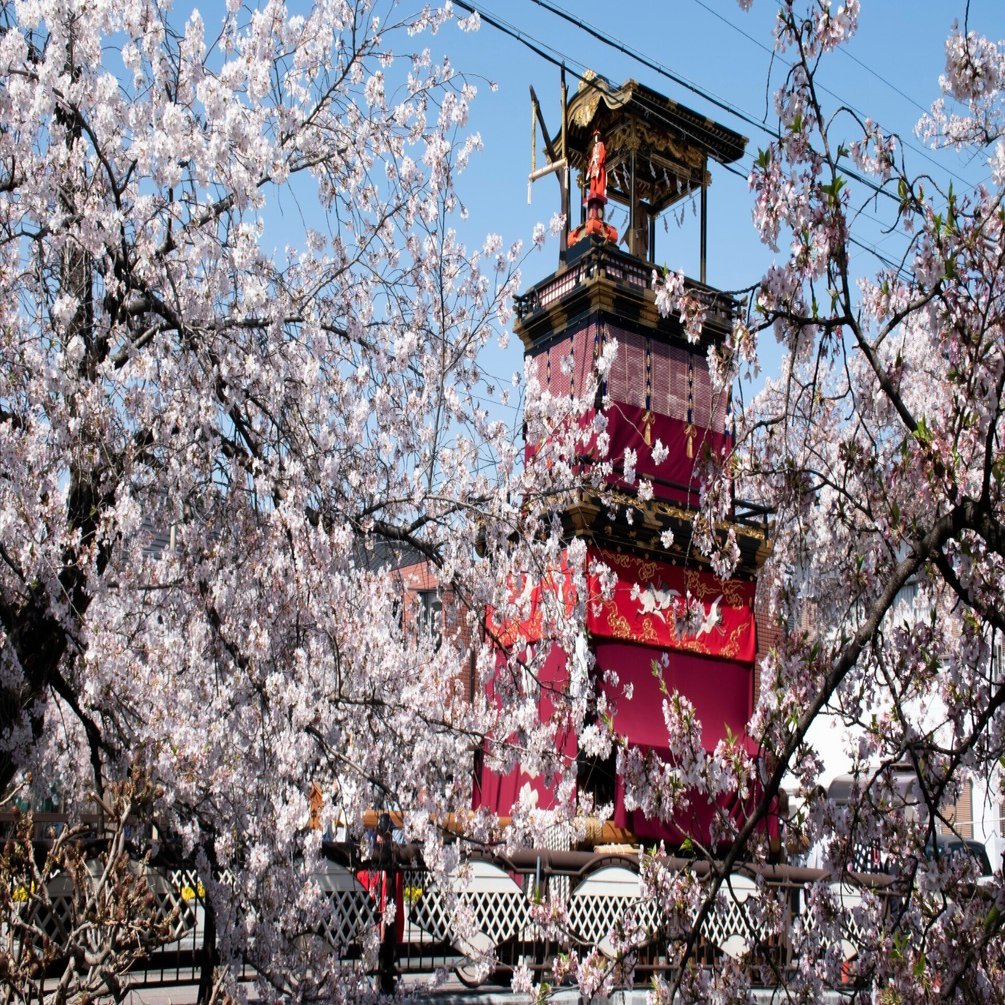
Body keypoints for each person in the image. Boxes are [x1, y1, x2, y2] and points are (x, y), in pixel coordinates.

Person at [587, 129, 607, 203]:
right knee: (593, 181)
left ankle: (599, 194)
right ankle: (592, 193)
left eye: (596, 136)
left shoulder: (601, 145)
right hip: (593, 166)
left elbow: (602, 155)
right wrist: (589, 170)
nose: (595, 138)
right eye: (594, 136)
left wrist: (599, 163)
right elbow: (592, 157)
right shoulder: (594, 148)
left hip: (599, 165)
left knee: (599, 181)